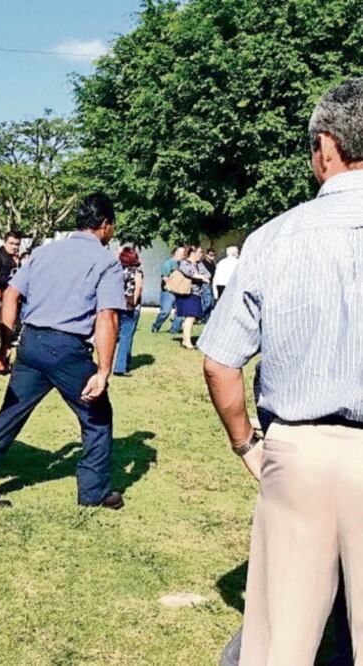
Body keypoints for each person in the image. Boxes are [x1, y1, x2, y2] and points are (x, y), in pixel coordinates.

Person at [200, 78, 363, 666]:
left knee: (279, 645)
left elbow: (220, 362)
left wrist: (247, 442)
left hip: (301, 450)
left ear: (325, 147)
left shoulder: (273, 239)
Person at [0, 193, 125, 509]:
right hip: (67, 350)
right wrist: (103, 371)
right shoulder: (106, 261)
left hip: (31, 344)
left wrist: (5, 344)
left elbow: (10, 294)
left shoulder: (44, 253)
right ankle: (94, 492)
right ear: (105, 225)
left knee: (11, 412)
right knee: (97, 416)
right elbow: (108, 317)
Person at [113, 246, 144, 377]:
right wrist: (134, 302)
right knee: (127, 335)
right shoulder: (137, 271)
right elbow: (138, 287)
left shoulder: (117, 270)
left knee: (123, 334)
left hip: (118, 304)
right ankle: (120, 367)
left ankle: (127, 361)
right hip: (130, 306)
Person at [176, 246, 210, 349]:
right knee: (190, 317)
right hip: (187, 293)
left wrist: (200, 276)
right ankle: (187, 342)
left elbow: (208, 274)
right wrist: (200, 276)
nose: (201, 254)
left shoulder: (199, 264)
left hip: (197, 293)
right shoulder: (184, 263)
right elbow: (189, 273)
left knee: (192, 318)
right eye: (199, 252)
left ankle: (185, 338)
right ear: (192, 253)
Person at [150, 245, 186, 334]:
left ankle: (174, 329)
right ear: (176, 253)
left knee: (180, 311)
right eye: (182, 253)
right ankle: (156, 326)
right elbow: (165, 277)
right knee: (165, 311)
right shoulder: (168, 263)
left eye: (184, 253)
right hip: (168, 291)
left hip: (180, 291)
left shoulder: (183, 264)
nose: (184, 255)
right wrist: (170, 285)